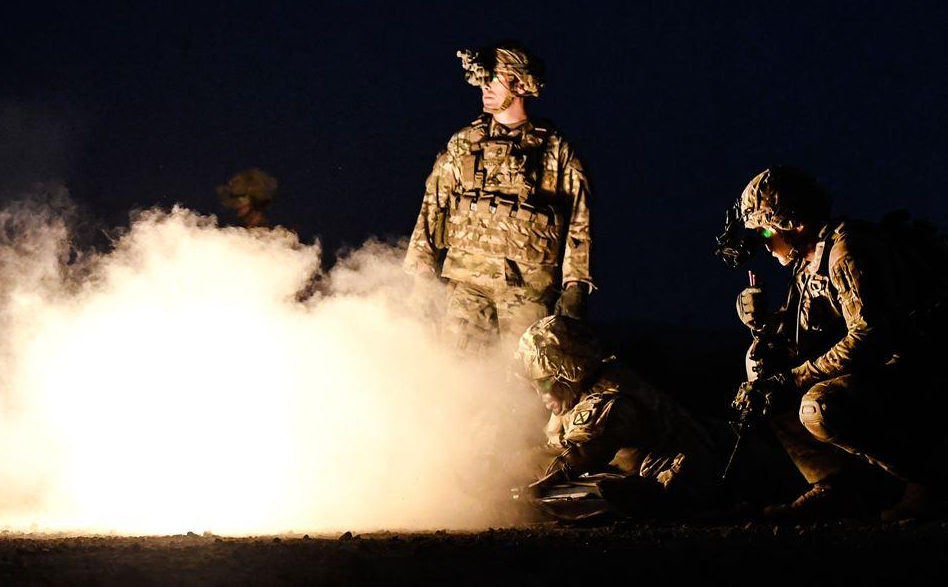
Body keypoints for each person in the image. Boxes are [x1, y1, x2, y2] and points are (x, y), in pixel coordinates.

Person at [728, 166, 947, 521]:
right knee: (767, 391)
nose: (765, 244)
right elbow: (802, 334)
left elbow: (869, 338)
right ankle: (837, 487)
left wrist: (795, 379)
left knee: (819, 406)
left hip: (914, 374)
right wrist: (763, 329)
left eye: (766, 230)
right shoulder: (809, 261)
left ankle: (926, 480)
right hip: (880, 373)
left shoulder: (846, 252)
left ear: (793, 223)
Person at [403, 41, 594, 354]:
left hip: (528, 292)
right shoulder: (465, 143)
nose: (485, 88)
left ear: (519, 83)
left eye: (493, 80)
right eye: (483, 80)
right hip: (467, 286)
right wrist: (422, 271)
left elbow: (579, 224)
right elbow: (433, 206)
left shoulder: (555, 152)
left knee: (522, 382)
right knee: (455, 370)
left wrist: (575, 286)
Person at [517, 315, 722, 516]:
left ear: (569, 373)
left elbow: (577, 455)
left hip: (685, 488)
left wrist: (505, 468)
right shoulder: (579, 392)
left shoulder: (609, 398)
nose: (539, 394)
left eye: (543, 383)